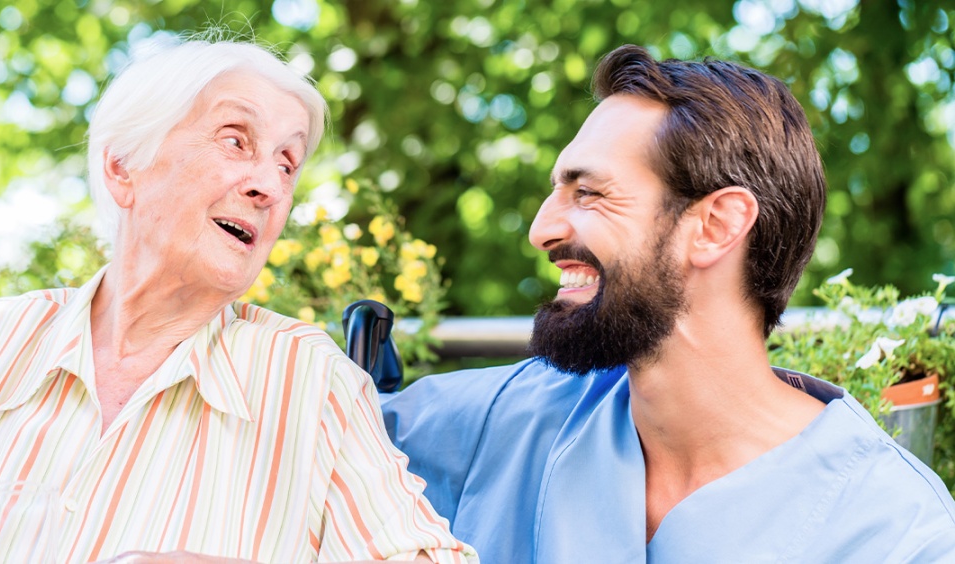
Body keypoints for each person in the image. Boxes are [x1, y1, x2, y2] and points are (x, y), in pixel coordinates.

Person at [0, 37, 475, 564]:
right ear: (123, 167)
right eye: (235, 141)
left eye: (287, 164)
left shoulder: (311, 383)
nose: (268, 185)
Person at [382, 44, 955, 562]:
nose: (541, 229)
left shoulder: (896, 535)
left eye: (589, 192)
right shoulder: (511, 418)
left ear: (714, 226)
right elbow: (317, 423)